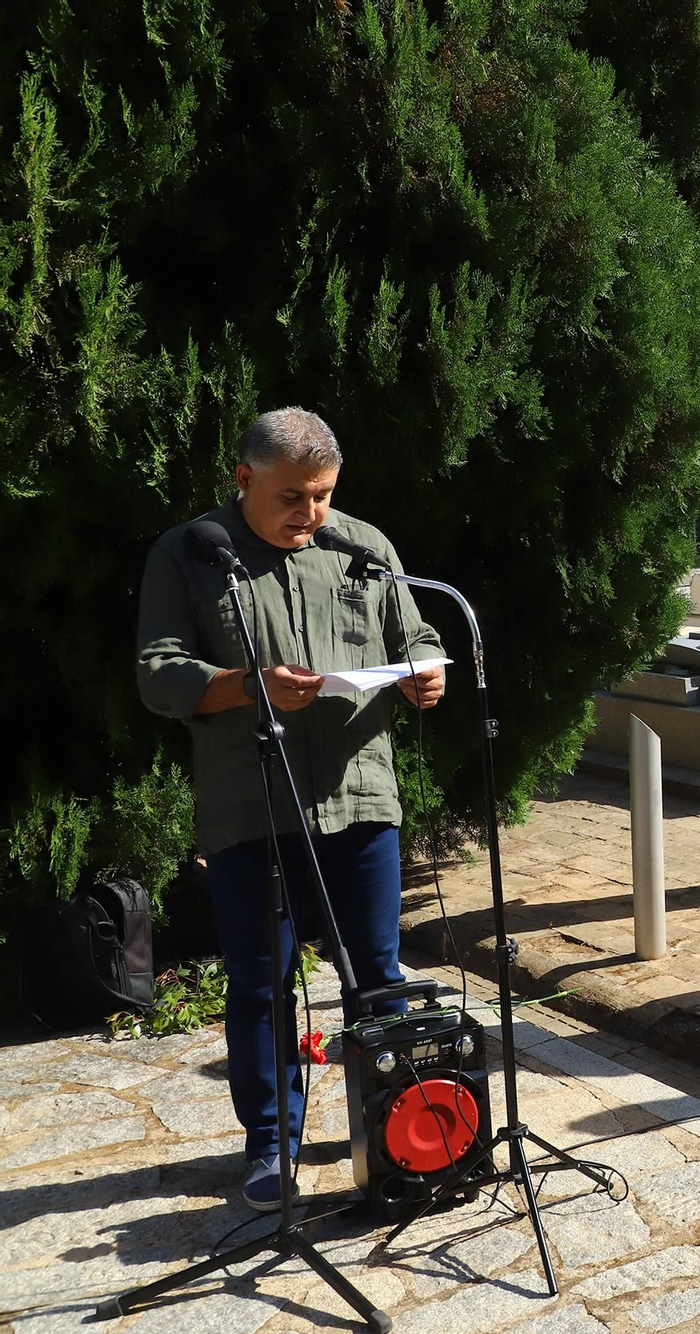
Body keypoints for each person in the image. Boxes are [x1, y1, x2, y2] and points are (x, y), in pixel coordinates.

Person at [136, 408, 445, 1210]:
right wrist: (248, 685)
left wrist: (424, 672)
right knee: (264, 984)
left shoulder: (362, 546)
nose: (312, 514)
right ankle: (272, 1144)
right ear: (244, 481)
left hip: (361, 797)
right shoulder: (192, 553)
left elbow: (414, 632)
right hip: (252, 806)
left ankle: (390, 1128)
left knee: (377, 978)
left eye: (324, 495)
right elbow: (158, 673)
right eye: (293, 497)